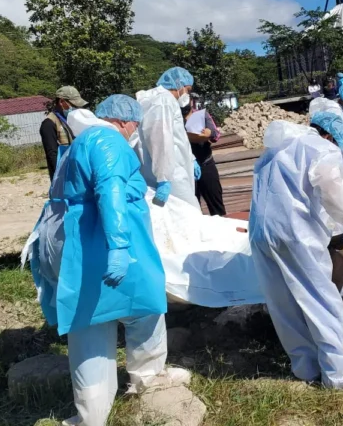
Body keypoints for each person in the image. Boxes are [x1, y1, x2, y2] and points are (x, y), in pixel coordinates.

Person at [30, 95, 189, 426]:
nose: (135, 129)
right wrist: (118, 246)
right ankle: (147, 378)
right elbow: (110, 189)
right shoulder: (107, 139)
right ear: (124, 120)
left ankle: (91, 416)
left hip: (75, 240)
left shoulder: (81, 140)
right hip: (102, 240)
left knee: (89, 322)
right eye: (135, 123)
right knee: (144, 306)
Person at [249, 112, 343, 389]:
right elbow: (332, 188)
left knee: (284, 303)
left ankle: (305, 369)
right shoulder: (319, 148)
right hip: (295, 233)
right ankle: (337, 377)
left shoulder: (276, 149)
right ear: (329, 136)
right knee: (321, 300)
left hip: (261, 233)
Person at [134, 67, 201, 209]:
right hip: (171, 173)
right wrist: (164, 178)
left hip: (167, 168)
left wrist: (192, 159)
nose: (187, 94)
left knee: (171, 216)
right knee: (188, 213)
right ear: (179, 84)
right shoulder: (164, 101)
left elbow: (176, 136)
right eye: (187, 90)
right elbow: (161, 139)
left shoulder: (155, 99)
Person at [183, 103, 226, 216]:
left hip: (206, 164)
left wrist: (209, 133)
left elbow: (216, 134)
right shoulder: (173, 118)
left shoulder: (201, 115)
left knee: (216, 205)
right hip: (186, 170)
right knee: (192, 209)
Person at [40, 86, 87, 181]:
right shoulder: (49, 124)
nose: (76, 108)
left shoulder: (72, 119)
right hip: (64, 175)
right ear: (61, 102)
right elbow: (52, 155)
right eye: (73, 104)